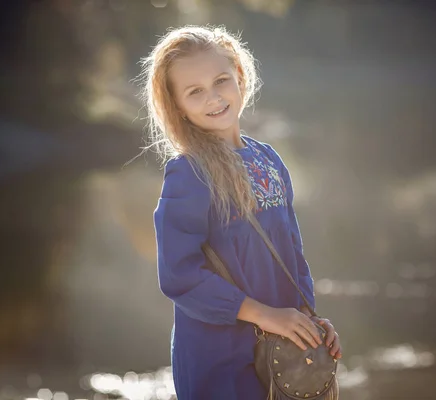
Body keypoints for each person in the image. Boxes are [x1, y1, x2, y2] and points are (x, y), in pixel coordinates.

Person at [142, 25, 341, 400]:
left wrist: (309, 318)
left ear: (239, 74)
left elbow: (292, 254)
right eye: (194, 91)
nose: (213, 97)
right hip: (221, 358)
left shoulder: (269, 159)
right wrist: (266, 315)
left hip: (280, 353)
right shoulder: (188, 173)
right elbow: (178, 275)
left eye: (220, 80)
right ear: (177, 105)